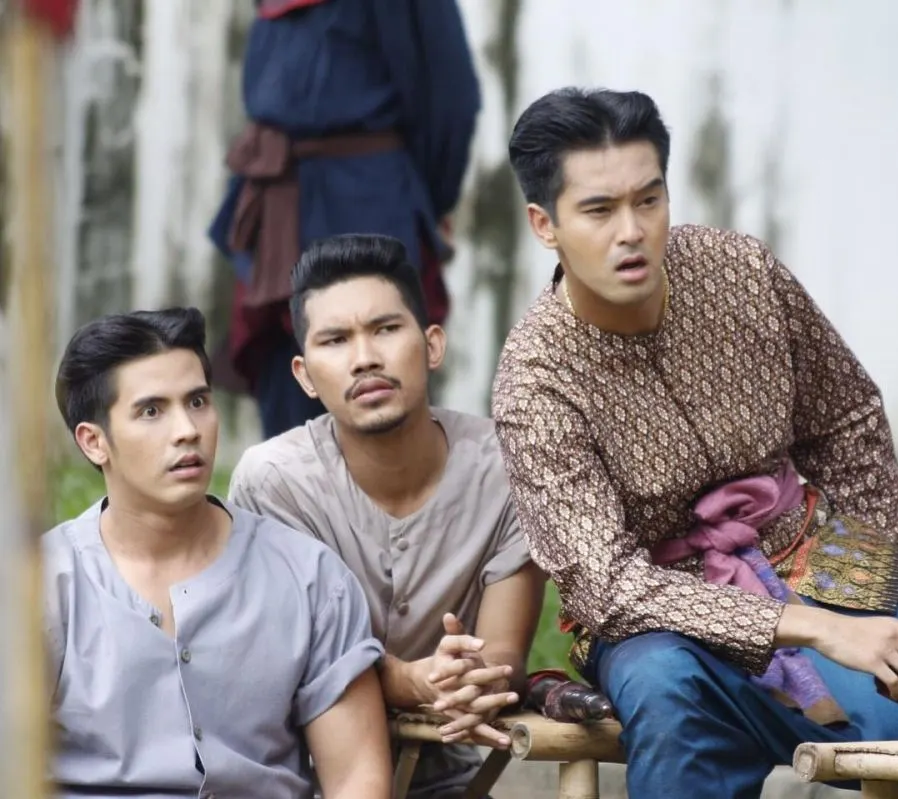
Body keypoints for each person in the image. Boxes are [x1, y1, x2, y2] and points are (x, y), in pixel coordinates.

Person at [491, 87, 898, 799]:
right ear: (544, 224)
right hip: (661, 621)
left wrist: (877, 569)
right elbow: (611, 588)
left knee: (885, 699)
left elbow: (846, 419)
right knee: (664, 691)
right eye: (599, 210)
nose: (632, 231)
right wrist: (805, 628)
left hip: (813, 556)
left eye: (649, 200)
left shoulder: (740, 271)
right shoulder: (534, 382)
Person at [228, 233, 546, 797]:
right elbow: (297, 663)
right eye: (335, 340)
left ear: (432, 345)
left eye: (385, 329)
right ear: (304, 375)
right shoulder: (276, 481)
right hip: (298, 776)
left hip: (446, 775)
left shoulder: (508, 467)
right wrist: (408, 680)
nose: (365, 358)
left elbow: (504, 653)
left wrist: (474, 678)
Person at [45, 308, 392, 798]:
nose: (187, 430)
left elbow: (357, 777)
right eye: (151, 411)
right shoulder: (39, 585)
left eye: (198, 401)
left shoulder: (309, 577)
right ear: (94, 442)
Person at [208, 0, 480, 439]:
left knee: (375, 372)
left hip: (366, 202)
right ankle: (290, 486)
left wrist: (429, 198)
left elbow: (449, 101)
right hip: (278, 204)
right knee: (286, 381)